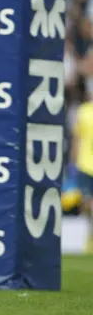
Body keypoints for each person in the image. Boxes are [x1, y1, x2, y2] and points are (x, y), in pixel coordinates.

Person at [71, 99, 93, 253]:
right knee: (86, 204)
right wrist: (73, 160)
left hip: (85, 164)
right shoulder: (84, 110)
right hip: (85, 164)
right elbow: (77, 138)